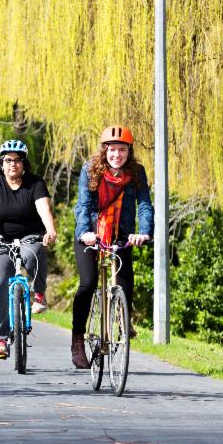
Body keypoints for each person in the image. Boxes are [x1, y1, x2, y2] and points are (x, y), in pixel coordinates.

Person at [70, 125, 153, 368]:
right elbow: (84, 205)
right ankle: (77, 341)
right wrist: (85, 232)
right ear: (104, 150)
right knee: (88, 283)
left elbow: (145, 204)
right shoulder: (90, 170)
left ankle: (122, 318)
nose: (117, 155)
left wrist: (144, 232)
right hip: (91, 235)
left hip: (120, 234)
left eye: (122, 150)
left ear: (129, 151)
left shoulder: (137, 172)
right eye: (113, 150)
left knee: (125, 276)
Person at [0, 139, 58, 359]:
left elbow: (44, 209)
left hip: (30, 237)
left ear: (24, 163)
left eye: (18, 160)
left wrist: (50, 231)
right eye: (8, 160)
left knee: (35, 253)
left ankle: (38, 294)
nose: (13, 164)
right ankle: (0, 339)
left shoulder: (35, 184)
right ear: (1, 163)